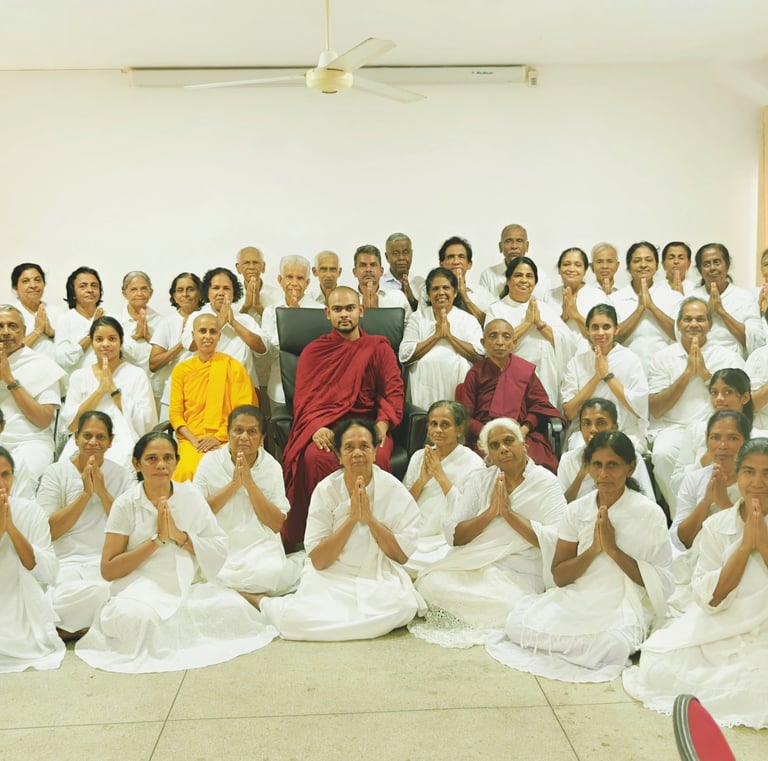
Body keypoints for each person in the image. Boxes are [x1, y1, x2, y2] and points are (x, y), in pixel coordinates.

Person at [74, 432, 277, 673]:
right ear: (136, 464)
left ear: (176, 462)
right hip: (139, 586)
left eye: (167, 458)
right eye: (151, 458)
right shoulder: (125, 504)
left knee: (232, 610)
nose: (161, 465)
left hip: (188, 582)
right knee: (141, 620)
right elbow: (108, 569)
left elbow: (218, 546)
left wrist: (180, 537)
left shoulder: (190, 495)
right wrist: (156, 541)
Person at [486, 431, 672, 682]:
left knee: (613, 645)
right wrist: (594, 549)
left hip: (624, 601)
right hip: (579, 596)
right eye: (597, 465)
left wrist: (613, 550)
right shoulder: (576, 511)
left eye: (612, 465)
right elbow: (560, 576)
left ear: (631, 468)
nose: (603, 474)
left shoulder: (650, 514)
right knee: (517, 625)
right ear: (588, 467)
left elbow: (661, 583)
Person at [622, 438, 768, 729]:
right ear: (737, 476)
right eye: (749, 471)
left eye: (767, 473)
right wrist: (743, 548)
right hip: (720, 622)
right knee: (658, 665)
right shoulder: (716, 526)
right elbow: (710, 599)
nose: (757, 482)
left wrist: (762, 544)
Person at [258, 420, 423, 640]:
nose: (357, 453)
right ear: (338, 456)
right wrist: (352, 520)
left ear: (375, 452)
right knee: (295, 621)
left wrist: (370, 520)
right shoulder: (326, 490)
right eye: (349, 447)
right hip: (331, 575)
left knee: (403, 608)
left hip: (376, 575)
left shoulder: (393, 489)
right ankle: (260, 601)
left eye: (364, 446)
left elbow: (401, 555)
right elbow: (318, 560)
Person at [410, 418, 566, 647]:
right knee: (430, 583)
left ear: (524, 446)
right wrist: (491, 513)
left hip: (520, 572)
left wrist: (510, 516)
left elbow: (559, 539)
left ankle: (475, 615)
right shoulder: (481, 480)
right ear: (489, 455)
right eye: (494, 446)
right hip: (477, 565)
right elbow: (454, 534)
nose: (503, 449)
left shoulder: (546, 482)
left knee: (513, 605)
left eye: (509, 441)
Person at [281, 286, 404, 551]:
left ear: (361, 310)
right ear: (328, 313)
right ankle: (320, 535)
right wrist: (316, 427)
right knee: (314, 457)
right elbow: (303, 399)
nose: (344, 314)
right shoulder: (314, 352)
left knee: (379, 457)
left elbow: (393, 391)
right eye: (337, 309)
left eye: (349, 308)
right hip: (330, 426)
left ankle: (375, 529)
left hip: (368, 426)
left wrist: (383, 424)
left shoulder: (378, 347)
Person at [37, 411, 135, 639]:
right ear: (76, 438)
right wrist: (84, 495)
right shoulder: (56, 472)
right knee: (92, 594)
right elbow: (49, 532)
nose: (93, 442)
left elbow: (130, 528)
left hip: (107, 563)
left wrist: (101, 492)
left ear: (110, 442)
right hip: (67, 564)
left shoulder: (121, 475)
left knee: (127, 594)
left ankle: (69, 629)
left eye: (101, 437)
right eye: (87, 436)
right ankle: (90, 626)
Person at [648, 297, 745, 514]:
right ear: (679, 323)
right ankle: (681, 519)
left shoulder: (726, 356)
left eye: (700, 319)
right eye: (688, 319)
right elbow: (656, 408)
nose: (694, 324)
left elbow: (739, 399)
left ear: (710, 324)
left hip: (714, 427)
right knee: (662, 455)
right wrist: (687, 373)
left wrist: (704, 373)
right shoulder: (662, 357)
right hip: (672, 428)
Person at [193, 406, 303, 597]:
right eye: (238, 431)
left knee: (270, 572)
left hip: (259, 545)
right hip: (220, 541)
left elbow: (276, 523)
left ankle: (243, 596)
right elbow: (197, 515)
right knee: (210, 573)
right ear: (228, 433)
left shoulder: (271, 467)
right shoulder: (210, 462)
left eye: (252, 432)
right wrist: (234, 485)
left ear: (261, 439)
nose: (244, 437)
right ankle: (252, 598)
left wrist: (250, 484)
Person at [458, 318, 563, 472]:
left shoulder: (524, 371)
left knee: (540, 465)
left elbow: (539, 407)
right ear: (483, 342)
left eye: (506, 337)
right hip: (486, 436)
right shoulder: (475, 373)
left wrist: (522, 431)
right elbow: (465, 416)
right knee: (481, 468)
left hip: (521, 434)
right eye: (493, 336)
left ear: (514, 343)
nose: (500, 342)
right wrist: (489, 433)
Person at [59, 316, 157, 468]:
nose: (105, 344)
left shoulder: (137, 375)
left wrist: (112, 389)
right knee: (65, 467)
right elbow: (71, 425)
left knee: (118, 463)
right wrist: (100, 391)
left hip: (123, 438)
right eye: (99, 339)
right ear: (92, 343)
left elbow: (147, 422)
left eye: (112, 339)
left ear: (121, 342)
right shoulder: (79, 376)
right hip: (86, 440)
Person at [0, 446, 64, 673]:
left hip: (24, 598)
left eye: (5, 475)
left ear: (14, 478)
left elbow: (49, 573)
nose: (1, 483)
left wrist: (11, 529)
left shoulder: (30, 511)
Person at [169, 313, 255, 481]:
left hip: (228, 439)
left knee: (221, 473)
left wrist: (218, 437)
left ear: (219, 337)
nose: (208, 336)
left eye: (213, 332)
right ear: (193, 336)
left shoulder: (234, 368)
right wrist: (194, 441)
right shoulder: (182, 370)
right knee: (186, 471)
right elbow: (175, 414)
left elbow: (243, 414)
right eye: (202, 331)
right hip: (191, 440)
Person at [402, 401, 485, 573]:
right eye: (433, 424)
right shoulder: (419, 456)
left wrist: (440, 476)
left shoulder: (474, 464)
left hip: (444, 538)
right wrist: (422, 480)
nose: (438, 430)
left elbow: (468, 515)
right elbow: (403, 504)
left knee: (445, 562)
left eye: (445, 425)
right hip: (415, 529)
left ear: (459, 430)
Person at [485, 256, 576, 407]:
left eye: (529, 276)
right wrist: (527, 323)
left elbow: (569, 342)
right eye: (518, 275)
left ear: (535, 283)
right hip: (510, 380)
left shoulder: (544, 308)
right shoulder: (496, 309)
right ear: (508, 280)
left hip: (545, 378)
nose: (524, 280)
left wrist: (540, 324)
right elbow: (492, 346)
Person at [561, 303, 648, 450]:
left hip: (624, 430)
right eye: (595, 327)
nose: (600, 333)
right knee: (578, 449)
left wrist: (607, 376)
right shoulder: (577, 362)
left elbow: (639, 409)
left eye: (606, 327)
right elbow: (569, 412)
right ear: (587, 330)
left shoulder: (630, 359)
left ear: (616, 329)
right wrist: (596, 377)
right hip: (585, 434)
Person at [398, 267, 483, 410]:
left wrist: (449, 336)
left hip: (457, 386)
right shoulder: (418, 318)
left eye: (446, 288)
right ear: (429, 294)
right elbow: (405, 355)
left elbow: (479, 356)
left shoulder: (468, 320)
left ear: (455, 292)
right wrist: (436, 336)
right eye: (435, 289)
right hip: (424, 385)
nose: (441, 293)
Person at [670, 367, 764, 492]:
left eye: (727, 392)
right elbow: (675, 485)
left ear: (745, 398)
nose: (719, 398)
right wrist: (707, 456)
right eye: (714, 393)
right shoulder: (696, 430)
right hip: (700, 503)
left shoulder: (760, 438)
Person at [0, 304, 65, 482]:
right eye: (0, 326)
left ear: (24, 331)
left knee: (17, 475)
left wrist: (9, 380)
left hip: (31, 442)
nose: (6, 332)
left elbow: (43, 420)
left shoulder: (42, 365)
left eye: (13, 326)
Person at [671, 410, 750, 552]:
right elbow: (679, 540)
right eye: (715, 437)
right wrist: (706, 502)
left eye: (732, 438)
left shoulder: (756, 482)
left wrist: (724, 504)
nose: (723, 445)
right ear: (706, 440)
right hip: (696, 559)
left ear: (746, 441)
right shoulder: (694, 478)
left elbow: (754, 538)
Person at [181, 267, 268, 390]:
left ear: (234, 293)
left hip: (243, 387)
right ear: (208, 291)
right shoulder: (196, 317)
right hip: (207, 386)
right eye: (216, 288)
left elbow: (263, 348)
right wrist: (219, 323)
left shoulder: (245, 319)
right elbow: (191, 346)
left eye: (226, 288)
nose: (221, 293)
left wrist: (233, 322)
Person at [558, 398, 655, 503]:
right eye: (586, 424)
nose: (592, 430)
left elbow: (648, 503)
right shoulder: (568, 460)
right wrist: (581, 474)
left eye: (600, 423)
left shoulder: (630, 457)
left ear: (614, 428)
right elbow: (560, 508)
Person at [261, 255, 324, 406]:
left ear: (307, 282)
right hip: (279, 389)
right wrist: (291, 320)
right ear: (280, 280)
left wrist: (297, 318)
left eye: (300, 278)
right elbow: (271, 351)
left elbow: (318, 351)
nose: (294, 283)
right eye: (289, 277)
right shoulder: (270, 311)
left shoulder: (321, 311)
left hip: (314, 390)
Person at [612, 241, 681, 375]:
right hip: (627, 370)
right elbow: (613, 338)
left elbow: (679, 334)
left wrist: (652, 308)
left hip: (666, 369)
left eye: (649, 260)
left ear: (656, 265)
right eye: (637, 261)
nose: (643, 265)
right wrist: (640, 309)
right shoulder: (615, 299)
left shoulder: (673, 297)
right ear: (629, 267)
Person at [692, 242, 763, 358]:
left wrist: (721, 312)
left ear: (727, 266)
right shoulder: (691, 298)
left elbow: (757, 341)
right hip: (697, 360)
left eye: (717, 262)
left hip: (733, 364)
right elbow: (680, 335)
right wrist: (707, 314)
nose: (712, 268)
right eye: (706, 264)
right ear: (700, 270)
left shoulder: (744, 297)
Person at [148, 272, 203, 418]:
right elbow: (153, 364)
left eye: (190, 289)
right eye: (180, 290)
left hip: (204, 390)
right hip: (174, 391)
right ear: (174, 296)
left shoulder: (208, 319)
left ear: (200, 293)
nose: (185, 294)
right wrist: (183, 343)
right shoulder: (167, 323)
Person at [54, 266, 106, 379]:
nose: (90, 290)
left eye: (94, 286)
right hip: (77, 388)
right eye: (83, 286)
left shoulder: (110, 317)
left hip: (109, 384)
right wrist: (93, 331)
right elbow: (63, 359)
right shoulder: (64, 319)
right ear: (73, 292)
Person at [545, 247, 605, 343]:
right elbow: (544, 333)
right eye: (566, 264)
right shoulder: (549, 295)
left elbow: (603, 336)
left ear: (585, 270)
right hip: (558, 355)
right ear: (559, 270)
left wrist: (576, 315)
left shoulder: (598, 296)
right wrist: (563, 318)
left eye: (577, 265)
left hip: (588, 354)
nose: (571, 269)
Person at [479, 224, 551, 299]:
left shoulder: (542, 277)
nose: (514, 246)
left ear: (527, 246)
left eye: (519, 241)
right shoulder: (488, 275)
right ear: (500, 247)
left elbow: (545, 308)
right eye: (508, 241)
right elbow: (483, 308)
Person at [10, 262, 63, 361]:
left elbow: (69, 349)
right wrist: (37, 331)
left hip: (55, 372)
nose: (33, 285)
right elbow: (8, 352)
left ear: (44, 284)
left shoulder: (58, 312)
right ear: (15, 287)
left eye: (38, 280)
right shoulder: (8, 314)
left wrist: (52, 333)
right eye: (26, 281)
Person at [437, 236, 495, 324]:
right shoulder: (429, 291)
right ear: (442, 264)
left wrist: (464, 296)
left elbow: (491, 325)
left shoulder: (482, 293)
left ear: (469, 264)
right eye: (451, 257)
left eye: (461, 257)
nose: (456, 262)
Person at [116, 271, 163, 374]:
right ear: (124, 294)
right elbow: (112, 352)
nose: (139, 294)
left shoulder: (161, 322)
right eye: (134, 289)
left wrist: (148, 336)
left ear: (151, 293)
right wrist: (136, 336)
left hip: (155, 381)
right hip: (124, 379)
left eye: (144, 289)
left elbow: (166, 357)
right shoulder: (116, 321)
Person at [352, 244, 412, 318]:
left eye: (373, 265)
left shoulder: (397, 298)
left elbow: (409, 327)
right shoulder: (346, 300)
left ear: (381, 271)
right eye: (363, 265)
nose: (368, 269)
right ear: (354, 272)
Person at [235, 245, 281, 322]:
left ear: (263, 266)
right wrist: (246, 307)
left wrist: (258, 306)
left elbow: (279, 327)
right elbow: (230, 328)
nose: (251, 267)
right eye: (246, 263)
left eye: (256, 263)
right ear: (238, 268)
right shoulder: (231, 295)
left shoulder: (278, 295)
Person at [380, 232, 423, 311]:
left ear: (411, 254)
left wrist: (412, 300)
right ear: (387, 257)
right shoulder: (379, 285)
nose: (401, 257)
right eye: (396, 253)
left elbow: (428, 315)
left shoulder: (421, 283)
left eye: (406, 252)